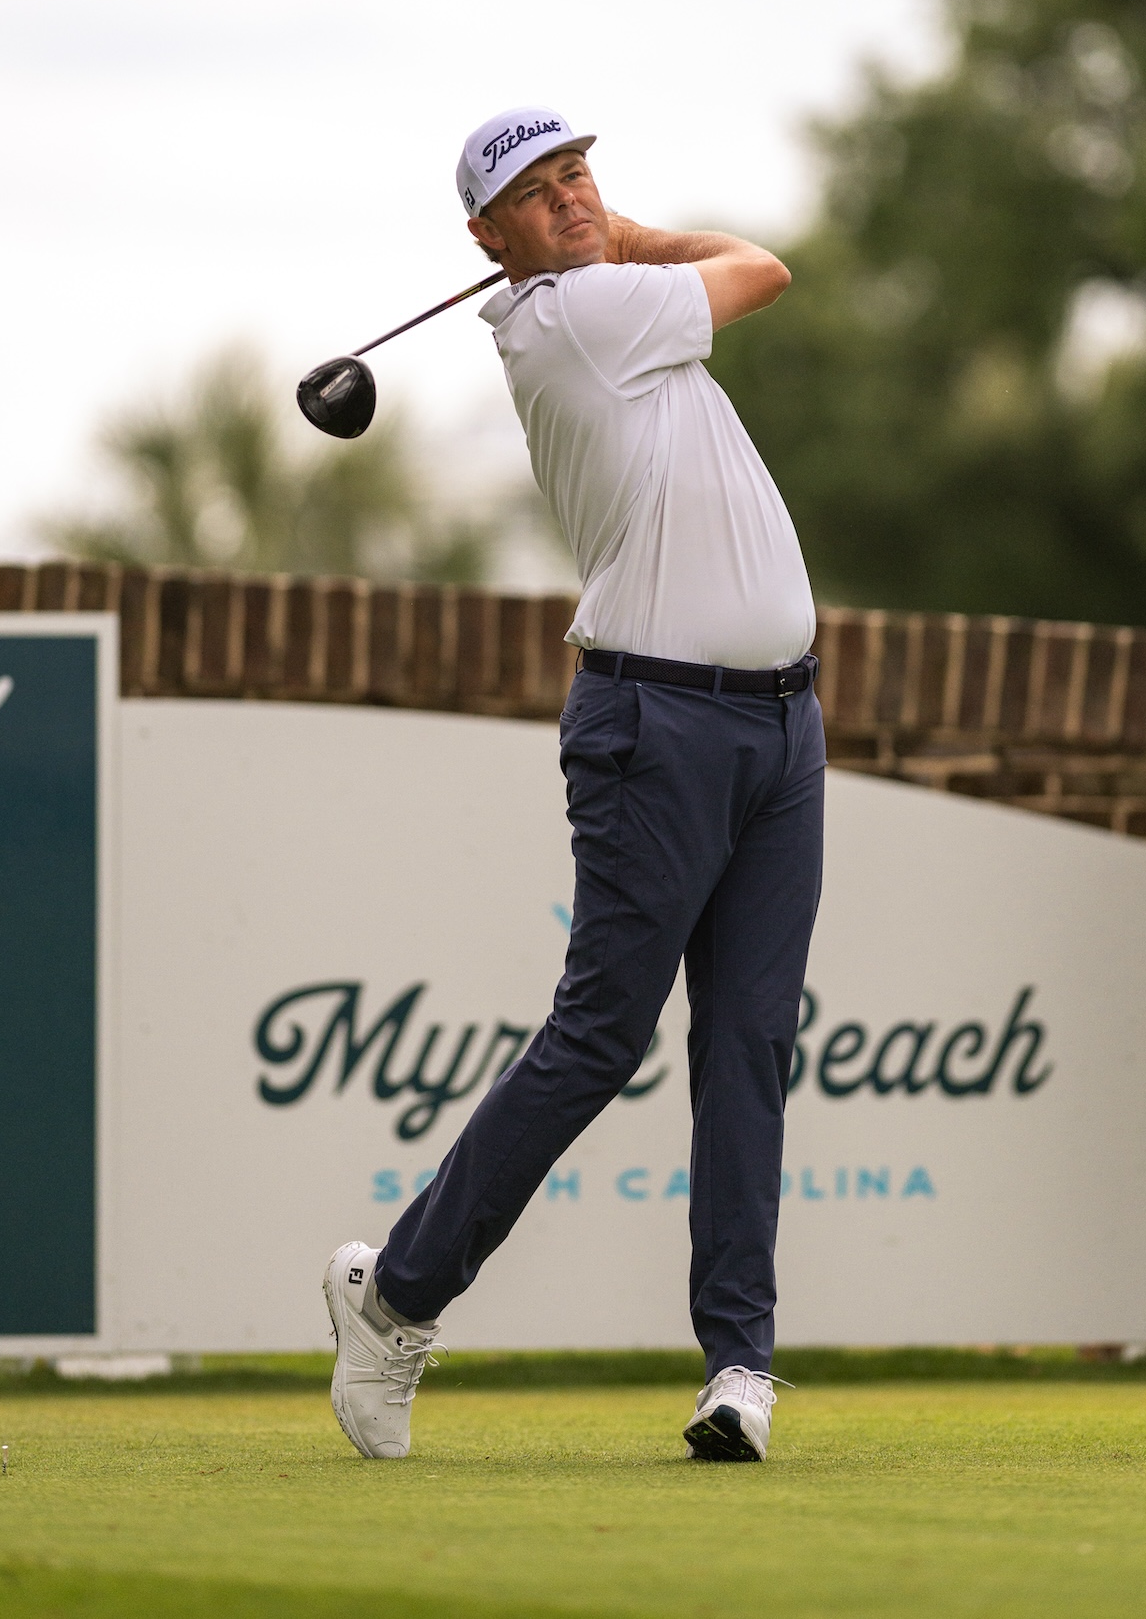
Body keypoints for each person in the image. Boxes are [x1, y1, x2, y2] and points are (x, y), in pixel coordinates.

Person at [324, 108, 824, 1460]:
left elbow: (742, 274)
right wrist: (633, 238)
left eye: (579, 175)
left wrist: (614, 236)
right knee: (602, 1035)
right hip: (655, 722)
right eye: (536, 195)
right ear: (488, 238)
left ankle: (739, 1367)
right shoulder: (576, 319)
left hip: (784, 725)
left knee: (748, 1045)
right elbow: (764, 267)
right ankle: (396, 1296)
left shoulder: (610, 308)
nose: (571, 200)